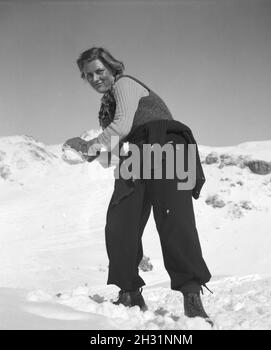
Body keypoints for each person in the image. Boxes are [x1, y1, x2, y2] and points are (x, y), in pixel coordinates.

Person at [63, 47, 213, 325]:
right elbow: (111, 154)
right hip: (135, 153)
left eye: (99, 71)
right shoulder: (105, 108)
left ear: (112, 68)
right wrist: (86, 153)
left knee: (174, 221)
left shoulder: (125, 85)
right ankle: (129, 292)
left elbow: (120, 127)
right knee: (120, 222)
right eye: (88, 75)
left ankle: (192, 295)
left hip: (167, 144)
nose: (95, 78)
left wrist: (88, 145)